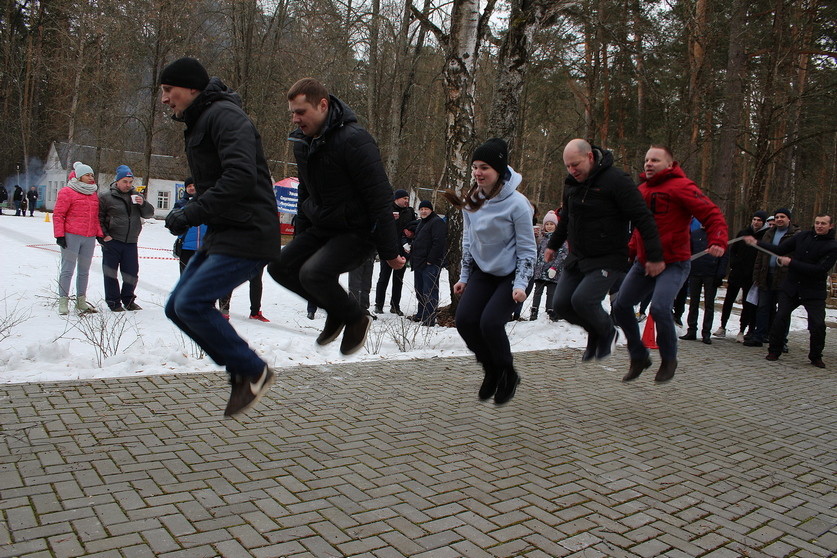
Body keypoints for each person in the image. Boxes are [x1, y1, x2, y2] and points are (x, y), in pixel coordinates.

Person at [160, 57, 282, 416]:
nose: (164, 98)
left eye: (168, 90)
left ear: (191, 88)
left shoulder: (225, 116)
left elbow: (240, 176)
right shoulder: (202, 120)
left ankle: (252, 370)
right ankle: (242, 372)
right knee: (176, 307)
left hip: (248, 232)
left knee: (191, 304)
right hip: (224, 231)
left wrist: (191, 212)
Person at [267, 77, 405, 356]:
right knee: (280, 266)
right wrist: (301, 238)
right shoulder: (303, 144)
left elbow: (379, 197)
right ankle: (337, 310)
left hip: (357, 231)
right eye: (292, 112)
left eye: (301, 112)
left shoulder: (355, 140)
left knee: (313, 273)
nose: (295, 119)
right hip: (323, 226)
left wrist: (390, 251)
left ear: (322, 105)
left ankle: (355, 318)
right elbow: (305, 193)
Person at [613, 146, 727, 382]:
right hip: (644, 263)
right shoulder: (642, 190)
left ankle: (669, 358)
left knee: (659, 308)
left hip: (673, 262)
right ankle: (639, 356)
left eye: (655, 160)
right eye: (646, 160)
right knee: (621, 306)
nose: (648, 164)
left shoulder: (682, 186)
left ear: (670, 164)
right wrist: (628, 252)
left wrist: (717, 239)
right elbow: (640, 228)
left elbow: (712, 213)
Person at [545, 139, 664, 363]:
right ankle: (596, 332)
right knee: (561, 304)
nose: (572, 170)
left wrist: (654, 255)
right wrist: (553, 245)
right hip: (578, 257)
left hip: (608, 256)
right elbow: (566, 219)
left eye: (575, 165)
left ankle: (608, 331)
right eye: (568, 166)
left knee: (583, 300)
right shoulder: (571, 183)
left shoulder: (616, 180)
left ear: (590, 157)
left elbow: (643, 218)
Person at [444, 138, 536, 405]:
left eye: (484, 167)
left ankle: (508, 373)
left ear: (499, 170)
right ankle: (491, 369)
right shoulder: (473, 200)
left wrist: (520, 284)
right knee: (465, 321)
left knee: (491, 323)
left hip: (512, 274)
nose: (478, 172)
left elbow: (528, 250)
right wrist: (464, 277)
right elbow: (468, 241)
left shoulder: (518, 204)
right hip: (484, 272)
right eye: (475, 167)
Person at [745, 214, 837, 368]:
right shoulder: (802, 237)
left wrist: (791, 263)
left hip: (813, 291)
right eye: (817, 223)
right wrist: (757, 243)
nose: (819, 226)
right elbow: (780, 249)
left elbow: (820, 269)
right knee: (780, 318)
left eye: (823, 223)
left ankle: (815, 356)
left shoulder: (832, 246)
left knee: (818, 324)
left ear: (831, 226)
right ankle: (774, 350)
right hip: (792, 287)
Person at [98, 165, 154, 311]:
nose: (128, 185)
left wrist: (143, 204)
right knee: (111, 274)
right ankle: (113, 302)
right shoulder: (105, 197)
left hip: (131, 241)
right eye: (125, 181)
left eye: (130, 182)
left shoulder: (136, 196)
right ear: (117, 181)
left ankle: (129, 300)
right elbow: (98, 218)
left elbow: (149, 214)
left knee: (131, 273)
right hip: (112, 241)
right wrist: (105, 236)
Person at [53, 162, 103, 315]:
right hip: (72, 235)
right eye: (87, 175)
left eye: (92, 175)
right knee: (67, 269)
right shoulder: (67, 192)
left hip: (89, 236)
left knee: (84, 270)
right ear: (79, 176)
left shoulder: (93, 193)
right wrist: (59, 235)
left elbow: (95, 217)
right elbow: (58, 214)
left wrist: (99, 234)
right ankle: (63, 301)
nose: (91, 178)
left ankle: (81, 300)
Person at [744, 208, 798, 347]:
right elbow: (760, 256)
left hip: (785, 277)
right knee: (763, 307)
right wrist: (757, 275)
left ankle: (781, 340)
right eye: (777, 217)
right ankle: (759, 336)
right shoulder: (768, 233)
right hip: (766, 275)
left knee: (783, 310)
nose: (779, 219)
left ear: (789, 219)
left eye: (782, 217)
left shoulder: (795, 235)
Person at [715, 210, 768, 341]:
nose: (756, 222)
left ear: (763, 222)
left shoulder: (765, 237)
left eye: (759, 220)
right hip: (737, 272)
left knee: (747, 304)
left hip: (751, 275)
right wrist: (734, 263)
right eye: (754, 219)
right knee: (728, 300)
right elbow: (733, 250)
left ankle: (742, 330)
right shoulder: (743, 233)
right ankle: (722, 326)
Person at [680, 219, 729, 344]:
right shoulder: (695, 234)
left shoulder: (718, 235)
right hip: (695, 272)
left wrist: (720, 274)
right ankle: (691, 330)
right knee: (693, 303)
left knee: (709, 304)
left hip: (711, 274)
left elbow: (724, 256)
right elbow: (689, 252)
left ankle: (706, 333)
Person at [375, 189, 416, 315]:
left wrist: (412, 234)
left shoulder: (409, 212)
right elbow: (380, 225)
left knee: (398, 279)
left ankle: (395, 306)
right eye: (404, 198)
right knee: (384, 277)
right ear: (396, 199)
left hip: (403, 249)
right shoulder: (388, 210)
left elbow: (414, 226)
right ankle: (379, 304)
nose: (406, 201)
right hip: (388, 249)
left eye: (407, 198)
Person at [410, 200, 447, 326]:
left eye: (426, 209)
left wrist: (431, 259)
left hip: (430, 264)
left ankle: (429, 318)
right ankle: (421, 314)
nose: (423, 211)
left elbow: (438, 242)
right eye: (421, 209)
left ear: (431, 210)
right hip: (419, 262)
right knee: (419, 290)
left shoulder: (437, 222)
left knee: (430, 292)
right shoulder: (422, 222)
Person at [530, 210, 566, 321]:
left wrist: (555, 267)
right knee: (537, 293)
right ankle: (534, 312)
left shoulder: (560, 239)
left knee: (551, 293)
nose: (549, 227)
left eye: (551, 224)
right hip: (540, 271)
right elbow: (537, 252)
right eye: (547, 224)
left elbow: (563, 254)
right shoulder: (542, 238)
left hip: (553, 272)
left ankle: (550, 313)